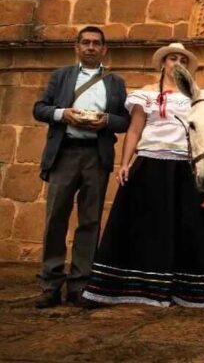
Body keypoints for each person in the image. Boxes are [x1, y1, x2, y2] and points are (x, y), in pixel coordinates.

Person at [82, 43, 204, 308]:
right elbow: (135, 131)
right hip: (150, 163)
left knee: (189, 227)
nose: (176, 62)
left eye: (182, 59)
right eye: (172, 58)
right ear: (163, 63)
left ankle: (185, 288)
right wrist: (125, 163)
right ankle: (140, 286)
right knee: (146, 226)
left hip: (185, 166)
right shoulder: (146, 95)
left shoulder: (196, 96)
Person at [32, 26, 130, 308]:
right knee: (55, 219)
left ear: (104, 49)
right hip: (65, 154)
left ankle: (80, 284)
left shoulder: (115, 82)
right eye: (85, 42)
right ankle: (50, 284)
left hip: (96, 157)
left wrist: (106, 121)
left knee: (90, 221)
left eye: (96, 43)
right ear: (77, 47)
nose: (90, 47)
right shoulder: (61, 76)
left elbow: (124, 120)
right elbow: (39, 109)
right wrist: (64, 114)